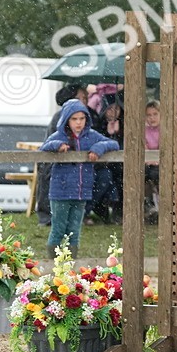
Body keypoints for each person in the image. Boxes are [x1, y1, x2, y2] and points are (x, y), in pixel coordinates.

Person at [40, 99, 119, 259]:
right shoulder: (59, 135)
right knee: (58, 229)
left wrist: (98, 148)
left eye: (82, 118)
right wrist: (58, 145)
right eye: (74, 119)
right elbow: (44, 147)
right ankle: (53, 263)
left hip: (82, 192)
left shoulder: (91, 136)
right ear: (67, 119)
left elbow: (113, 144)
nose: (78, 123)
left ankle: (70, 264)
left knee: (74, 230)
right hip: (60, 193)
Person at [35, 83, 86, 226]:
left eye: (85, 98)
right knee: (49, 179)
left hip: (73, 160)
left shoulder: (83, 117)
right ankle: (46, 217)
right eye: (80, 98)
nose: (84, 101)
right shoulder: (61, 116)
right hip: (54, 159)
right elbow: (54, 141)